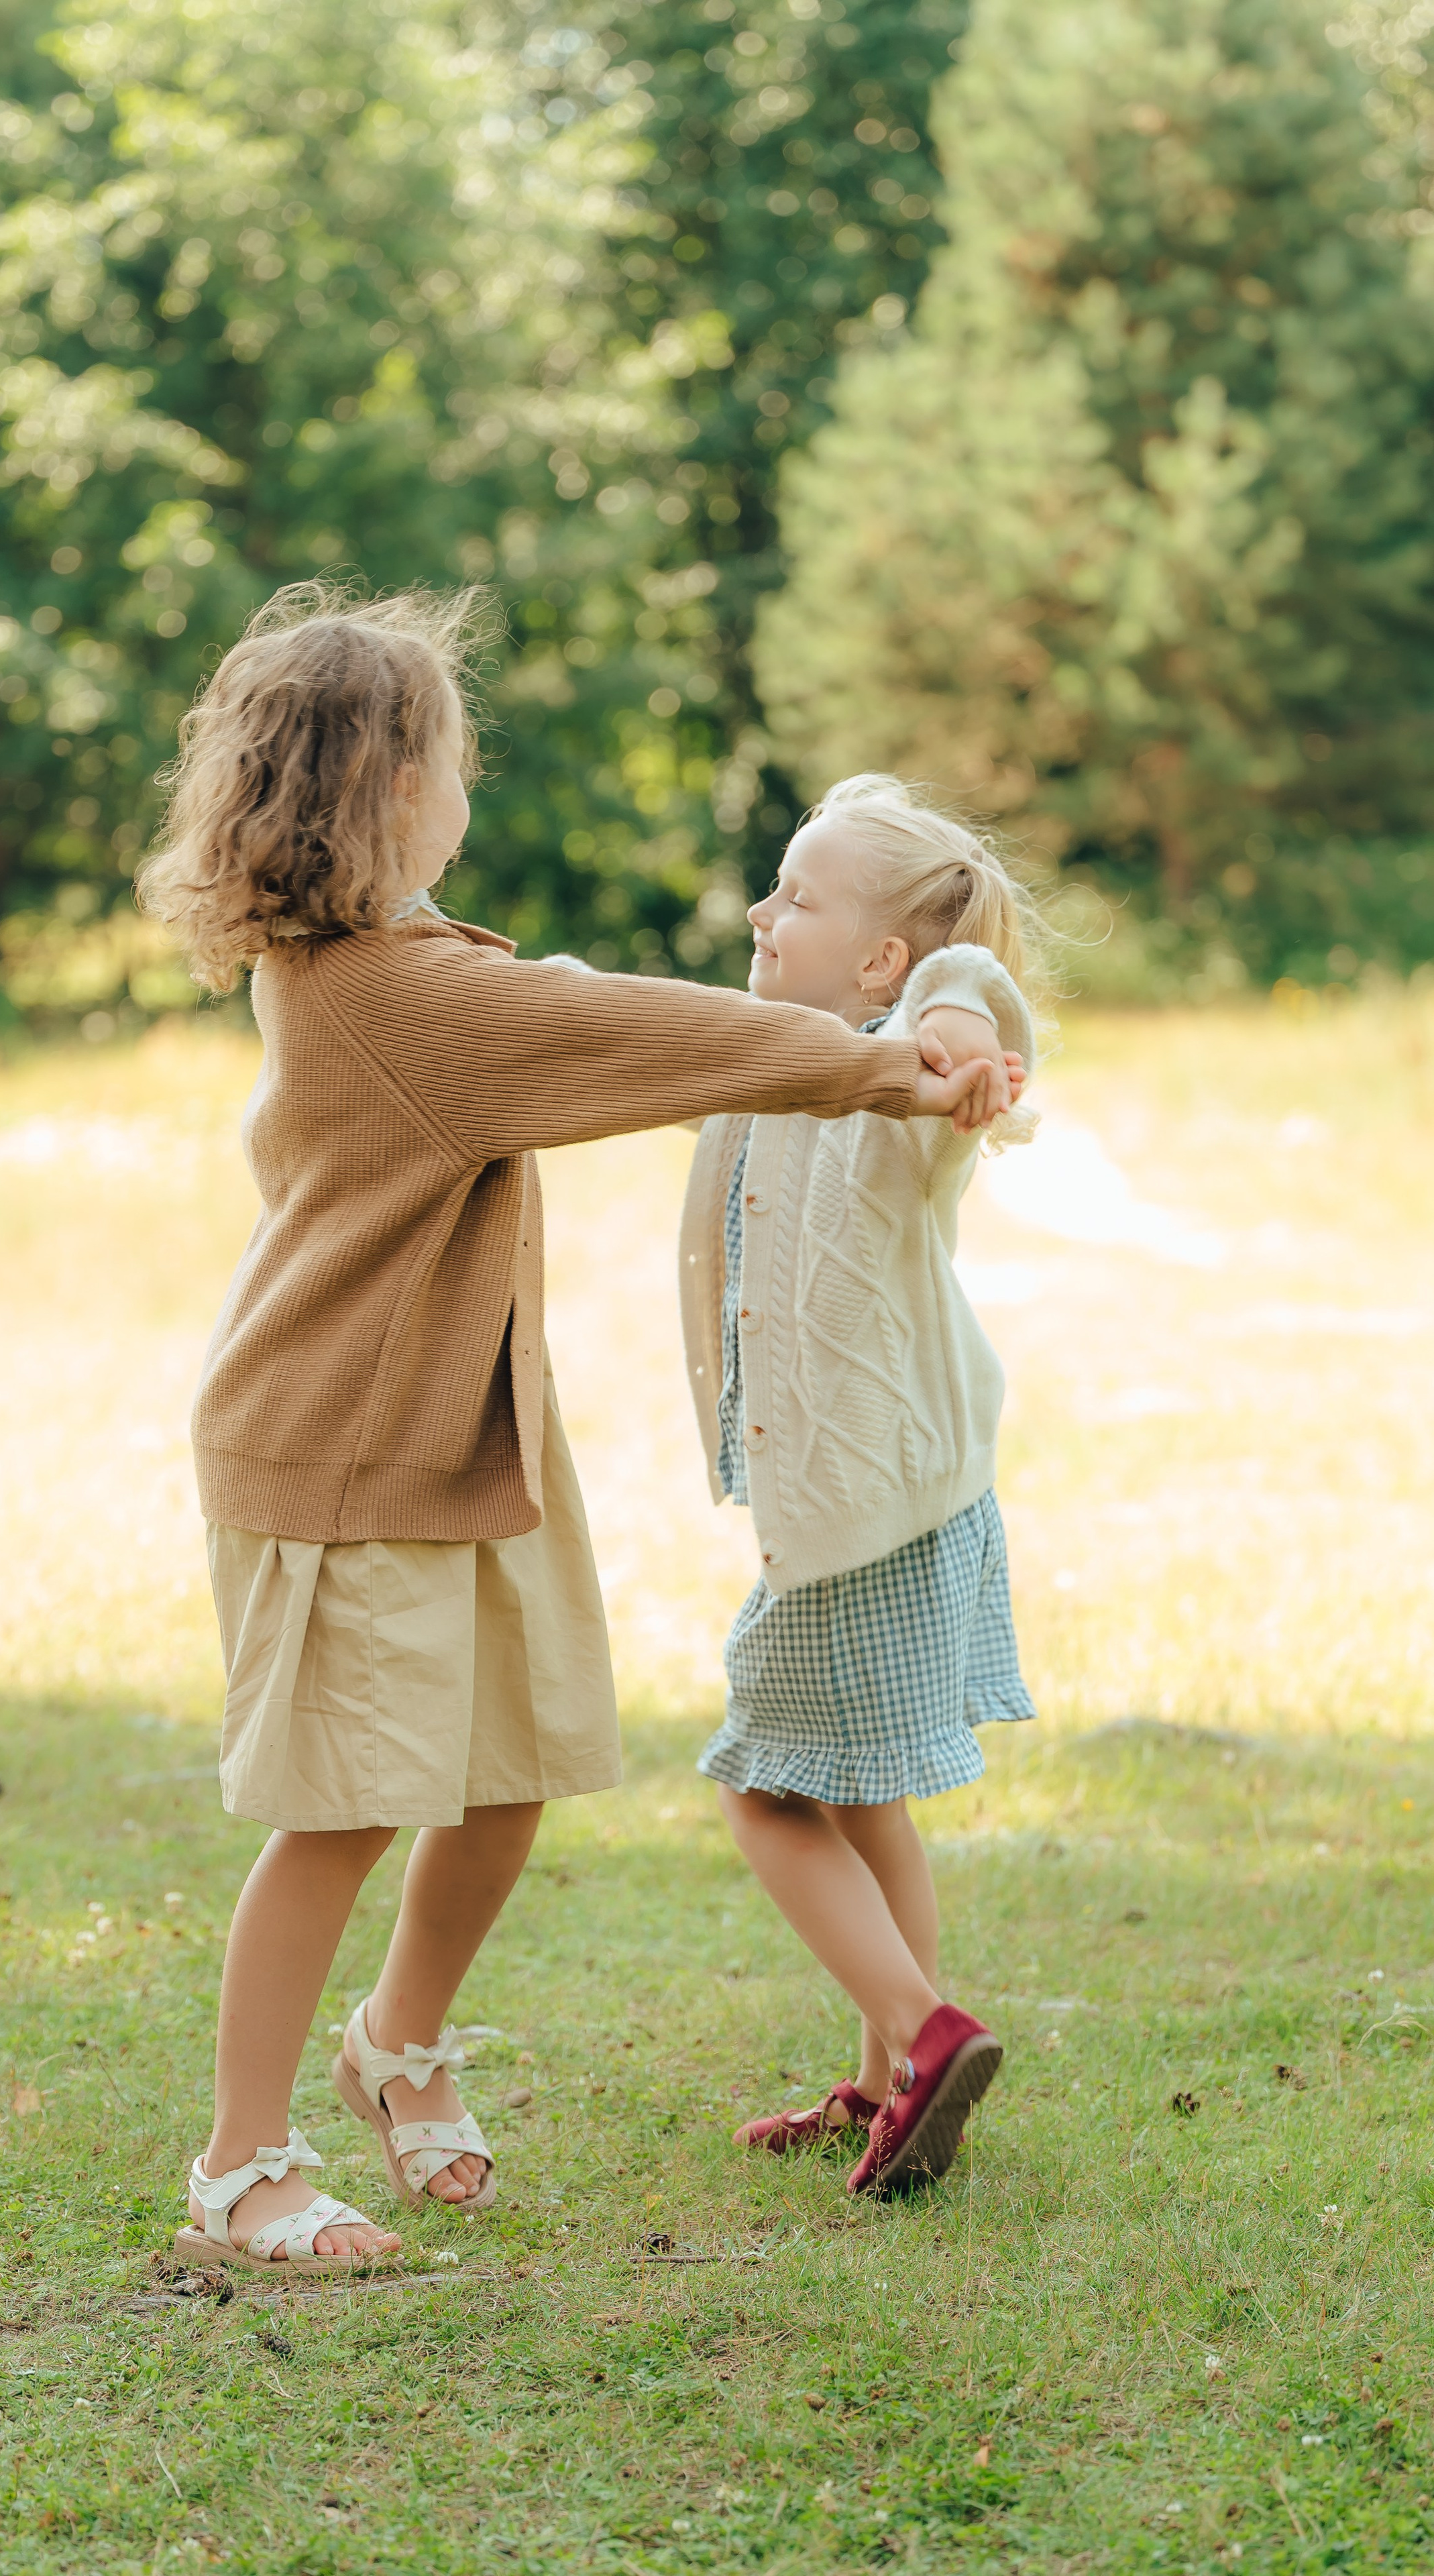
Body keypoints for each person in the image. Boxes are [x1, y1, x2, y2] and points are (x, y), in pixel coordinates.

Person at [138, 588, 1019, 2273]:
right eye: (452, 759)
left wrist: (891, 1044)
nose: (467, 785)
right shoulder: (395, 1000)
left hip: (464, 1442)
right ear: (393, 794)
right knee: (339, 1814)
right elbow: (628, 1029)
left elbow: (565, 1005)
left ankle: (396, 2045)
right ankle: (241, 2165)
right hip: (341, 1454)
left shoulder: (399, 958)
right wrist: (872, 1061)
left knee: (506, 1778)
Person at [679, 773, 1040, 2198]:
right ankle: (901, 2077)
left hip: (865, 1517)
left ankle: (921, 2028)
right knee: (862, 1793)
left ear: (881, 964)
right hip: (887, 1503)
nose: (765, 914)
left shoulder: (908, 1061)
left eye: (799, 897)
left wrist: (951, 1029)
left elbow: (969, 994)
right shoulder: (783, 1057)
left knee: (767, 1790)